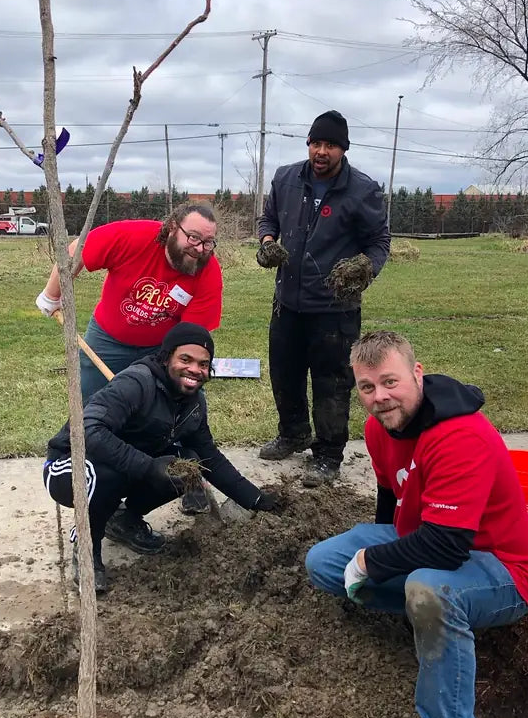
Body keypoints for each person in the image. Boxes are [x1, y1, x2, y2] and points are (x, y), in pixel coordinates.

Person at [305, 330, 528, 718]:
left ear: (417, 373)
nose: (380, 397)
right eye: (367, 388)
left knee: (429, 589)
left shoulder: (460, 435)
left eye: (390, 382)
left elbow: (448, 546)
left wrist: (373, 562)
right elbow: (389, 496)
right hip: (430, 542)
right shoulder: (381, 426)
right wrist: (370, 554)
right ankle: (429, 626)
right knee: (324, 562)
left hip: (501, 569)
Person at [43, 323, 282, 594]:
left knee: (189, 464)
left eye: (203, 364)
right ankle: (87, 549)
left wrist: (256, 499)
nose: (195, 369)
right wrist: (148, 467)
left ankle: (123, 521)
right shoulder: (136, 383)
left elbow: (210, 459)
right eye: (186, 359)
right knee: (107, 473)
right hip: (69, 468)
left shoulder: (192, 405)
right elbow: (86, 431)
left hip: (124, 468)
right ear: (167, 357)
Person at [36, 203, 223, 514]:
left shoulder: (207, 271)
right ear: (172, 228)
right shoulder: (132, 237)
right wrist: (52, 294)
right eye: (192, 238)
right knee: (95, 407)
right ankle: (92, 478)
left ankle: (191, 479)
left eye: (207, 242)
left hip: (162, 349)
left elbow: (191, 338)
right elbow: (76, 251)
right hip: (108, 338)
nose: (199, 249)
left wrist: (172, 374)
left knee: (183, 408)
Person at [257, 109, 390, 484]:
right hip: (288, 303)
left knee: (332, 382)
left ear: (343, 150)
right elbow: (268, 219)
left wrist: (365, 268)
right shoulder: (286, 178)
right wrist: (268, 241)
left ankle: (329, 453)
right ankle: (293, 433)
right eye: (316, 142)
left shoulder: (363, 190)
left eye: (330, 145)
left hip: (335, 309)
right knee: (285, 373)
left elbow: (379, 242)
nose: (321, 151)